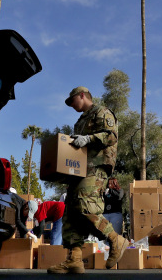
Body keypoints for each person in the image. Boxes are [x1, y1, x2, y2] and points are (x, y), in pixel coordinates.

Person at [48, 86, 127, 274]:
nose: (71, 105)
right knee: (70, 214)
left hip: (96, 168)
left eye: (72, 101)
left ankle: (116, 239)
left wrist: (88, 139)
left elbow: (111, 136)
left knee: (86, 207)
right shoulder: (80, 121)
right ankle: (74, 260)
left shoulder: (101, 111)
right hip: (79, 170)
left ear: (82, 96)